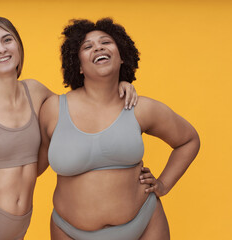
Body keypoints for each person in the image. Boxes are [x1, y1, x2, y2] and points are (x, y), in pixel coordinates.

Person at [0, 16, 139, 240]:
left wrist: (116, 83)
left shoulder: (36, 92)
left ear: (18, 46)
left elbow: (77, 108)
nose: (1, 49)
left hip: (18, 225)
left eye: (7, 40)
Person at [36, 18, 199, 240]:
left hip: (145, 223)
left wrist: (163, 184)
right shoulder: (53, 109)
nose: (99, 47)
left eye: (106, 42)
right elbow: (31, 166)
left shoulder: (140, 107)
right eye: (87, 46)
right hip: (69, 231)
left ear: (122, 57)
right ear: (79, 66)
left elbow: (188, 140)